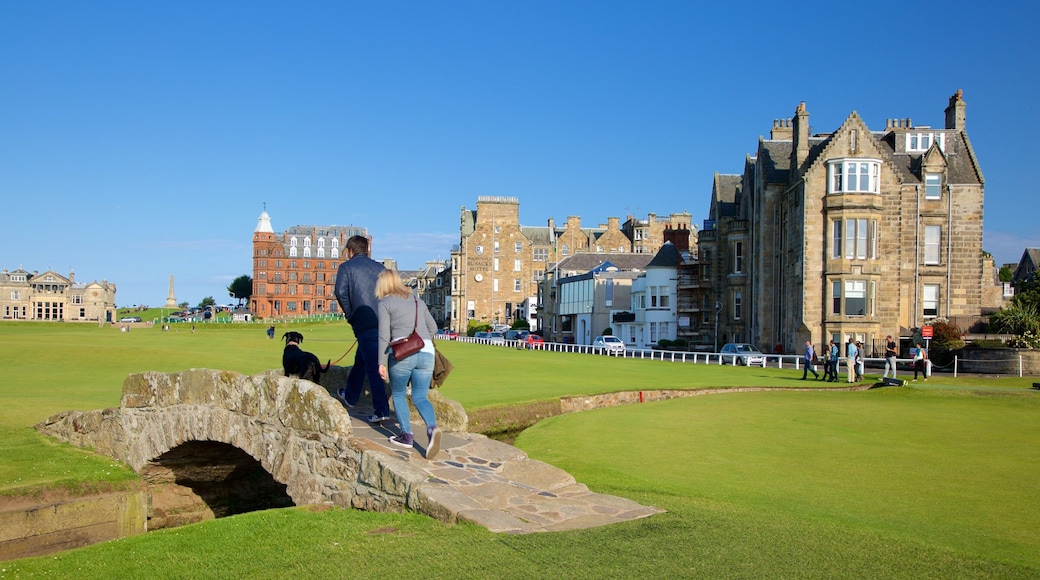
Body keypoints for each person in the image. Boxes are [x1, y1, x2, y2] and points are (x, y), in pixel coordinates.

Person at [375, 269, 442, 458]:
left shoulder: (385, 303)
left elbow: (383, 336)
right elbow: (434, 328)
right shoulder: (417, 301)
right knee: (421, 396)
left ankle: (406, 435)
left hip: (403, 352)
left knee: (398, 393)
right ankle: (432, 428)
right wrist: (421, 342)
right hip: (427, 351)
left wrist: (380, 362)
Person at [334, 235, 392, 423]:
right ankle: (350, 396)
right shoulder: (381, 268)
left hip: (365, 322)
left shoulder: (346, 267)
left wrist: (351, 314)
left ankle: (381, 410)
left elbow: (340, 292)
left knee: (374, 365)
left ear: (350, 251)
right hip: (384, 322)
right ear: (367, 250)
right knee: (362, 359)